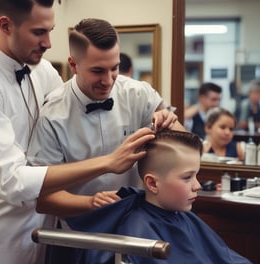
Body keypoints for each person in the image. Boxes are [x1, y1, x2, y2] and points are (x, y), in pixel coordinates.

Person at [0, 1, 154, 263]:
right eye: (38, 32)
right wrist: (107, 162)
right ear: (5, 25)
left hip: (50, 229)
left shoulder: (44, 70)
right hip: (0, 232)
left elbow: (69, 124)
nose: (48, 43)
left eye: (50, 30)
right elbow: (12, 181)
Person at [28, 17, 185, 216]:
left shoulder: (139, 94)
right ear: (73, 65)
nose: (108, 80)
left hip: (140, 226)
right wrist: (91, 203)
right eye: (98, 71)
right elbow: (42, 199)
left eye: (114, 68)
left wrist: (172, 126)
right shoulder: (51, 116)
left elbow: (185, 147)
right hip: (80, 233)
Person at [66, 129, 252, 264]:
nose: (198, 185)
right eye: (187, 177)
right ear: (153, 183)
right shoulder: (137, 229)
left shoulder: (184, 217)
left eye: (196, 175)